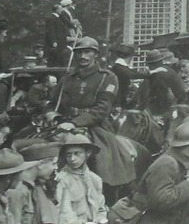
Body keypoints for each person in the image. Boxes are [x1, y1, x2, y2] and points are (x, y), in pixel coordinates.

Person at [55, 36, 137, 201]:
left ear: (96, 55)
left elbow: (102, 109)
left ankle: (105, 193)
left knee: (104, 158)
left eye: (88, 52)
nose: (83, 57)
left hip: (95, 125)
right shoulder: (67, 79)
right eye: (79, 53)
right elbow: (53, 104)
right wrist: (54, 117)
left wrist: (74, 123)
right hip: (62, 123)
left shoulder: (108, 77)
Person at [43, 0, 82, 70]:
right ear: (57, 10)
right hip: (57, 40)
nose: (61, 10)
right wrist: (53, 41)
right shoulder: (51, 18)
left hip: (61, 39)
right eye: (60, 9)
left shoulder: (58, 17)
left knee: (60, 54)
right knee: (56, 54)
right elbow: (51, 31)